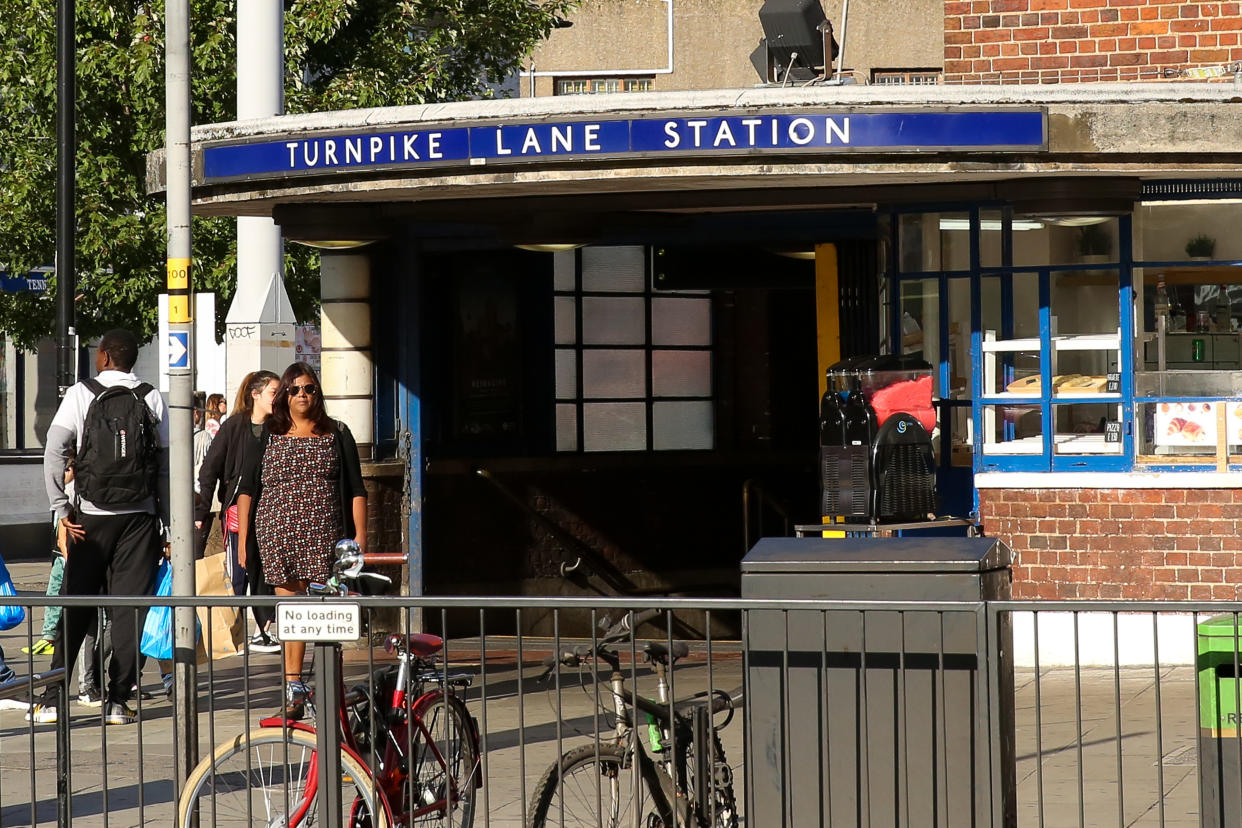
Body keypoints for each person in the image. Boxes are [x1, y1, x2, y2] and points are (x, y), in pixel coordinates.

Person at [32, 329, 168, 726]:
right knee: (129, 610)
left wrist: (61, 508)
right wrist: (167, 523)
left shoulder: (81, 394)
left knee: (76, 604)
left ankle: (53, 697)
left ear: (106, 356)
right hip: (139, 519)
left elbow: (55, 451)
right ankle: (118, 701)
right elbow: (164, 468)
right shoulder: (150, 396)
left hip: (89, 519)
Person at [236, 362, 366, 719]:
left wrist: (360, 539)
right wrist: (246, 540)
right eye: (294, 390)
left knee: (323, 613)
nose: (302, 395)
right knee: (293, 611)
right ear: (284, 397)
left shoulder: (337, 433)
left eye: (309, 389)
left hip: (325, 535)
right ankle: (294, 685)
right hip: (278, 534)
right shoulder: (267, 434)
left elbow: (357, 489)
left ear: (317, 393)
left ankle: (327, 687)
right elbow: (246, 491)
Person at [197, 370, 281, 652]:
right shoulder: (234, 426)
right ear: (255, 395)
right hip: (238, 510)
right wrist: (201, 511)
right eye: (273, 392)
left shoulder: (278, 427)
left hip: (271, 509)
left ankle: (263, 629)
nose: (277, 398)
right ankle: (234, 632)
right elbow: (209, 470)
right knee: (239, 570)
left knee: (267, 569)